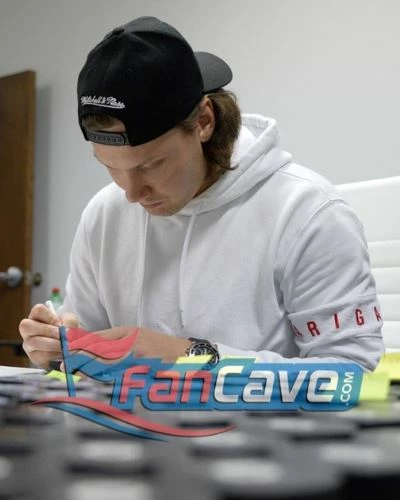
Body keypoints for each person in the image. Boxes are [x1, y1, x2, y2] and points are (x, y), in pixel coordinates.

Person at [19, 16, 384, 372]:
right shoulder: (104, 214)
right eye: (110, 166)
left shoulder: (307, 212)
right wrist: (59, 346)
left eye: (151, 164)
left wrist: (192, 356)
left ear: (204, 122)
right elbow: (84, 339)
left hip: (261, 418)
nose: (130, 193)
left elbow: (353, 375)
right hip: (130, 415)